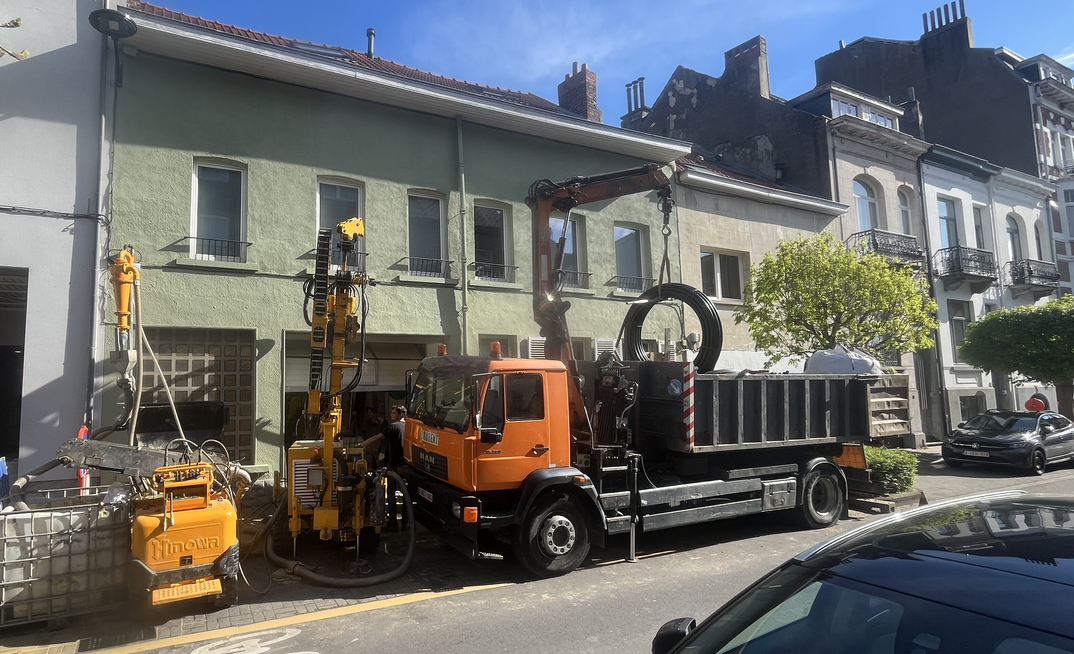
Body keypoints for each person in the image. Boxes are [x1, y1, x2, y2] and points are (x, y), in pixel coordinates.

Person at [361, 405, 407, 530]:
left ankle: (392, 522)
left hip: (394, 465)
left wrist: (360, 445)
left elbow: (377, 438)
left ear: (400, 415)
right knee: (406, 495)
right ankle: (405, 523)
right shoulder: (410, 427)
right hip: (407, 466)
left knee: (391, 493)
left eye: (393, 413)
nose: (391, 415)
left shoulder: (392, 427)